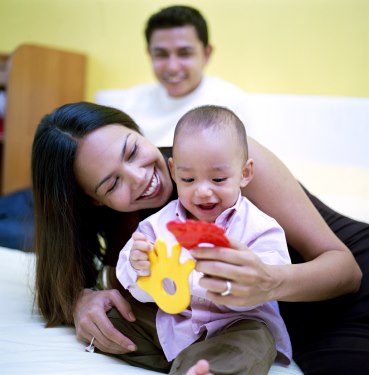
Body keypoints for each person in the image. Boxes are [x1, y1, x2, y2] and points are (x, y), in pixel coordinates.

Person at [31, 102, 369, 375]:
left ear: (137, 130)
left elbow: (347, 272)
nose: (140, 178)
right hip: (244, 323)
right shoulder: (133, 220)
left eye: (132, 150)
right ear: (93, 200)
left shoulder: (225, 159)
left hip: (344, 296)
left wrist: (270, 280)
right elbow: (134, 282)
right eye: (112, 184)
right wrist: (79, 298)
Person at [115, 105, 292, 374]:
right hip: (177, 321)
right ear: (173, 172)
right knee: (115, 318)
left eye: (219, 179)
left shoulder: (261, 228)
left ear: (245, 173)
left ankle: (209, 368)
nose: (203, 191)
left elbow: (266, 284)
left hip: (238, 323)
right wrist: (136, 265)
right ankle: (186, 360)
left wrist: (194, 278)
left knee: (252, 342)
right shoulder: (158, 224)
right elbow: (140, 289)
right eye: (188, 179)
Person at [95, 5, 253, 147]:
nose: (172, 67)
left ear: (206, 53)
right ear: (150, 54)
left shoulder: (230, 103)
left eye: (185, 53)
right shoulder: (129, 103)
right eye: (161, 54)